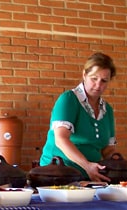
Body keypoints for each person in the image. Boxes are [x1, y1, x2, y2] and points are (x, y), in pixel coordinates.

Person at [39, 52, 117, 182]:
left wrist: (118, 163)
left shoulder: (107, 109)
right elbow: (61, 139)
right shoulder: (69, 99)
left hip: (90, 176)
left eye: (104, 81)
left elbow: (107, 149)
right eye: (94, 78)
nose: (98, 85)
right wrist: (87, 166)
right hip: (57, 175)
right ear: (84, 75)